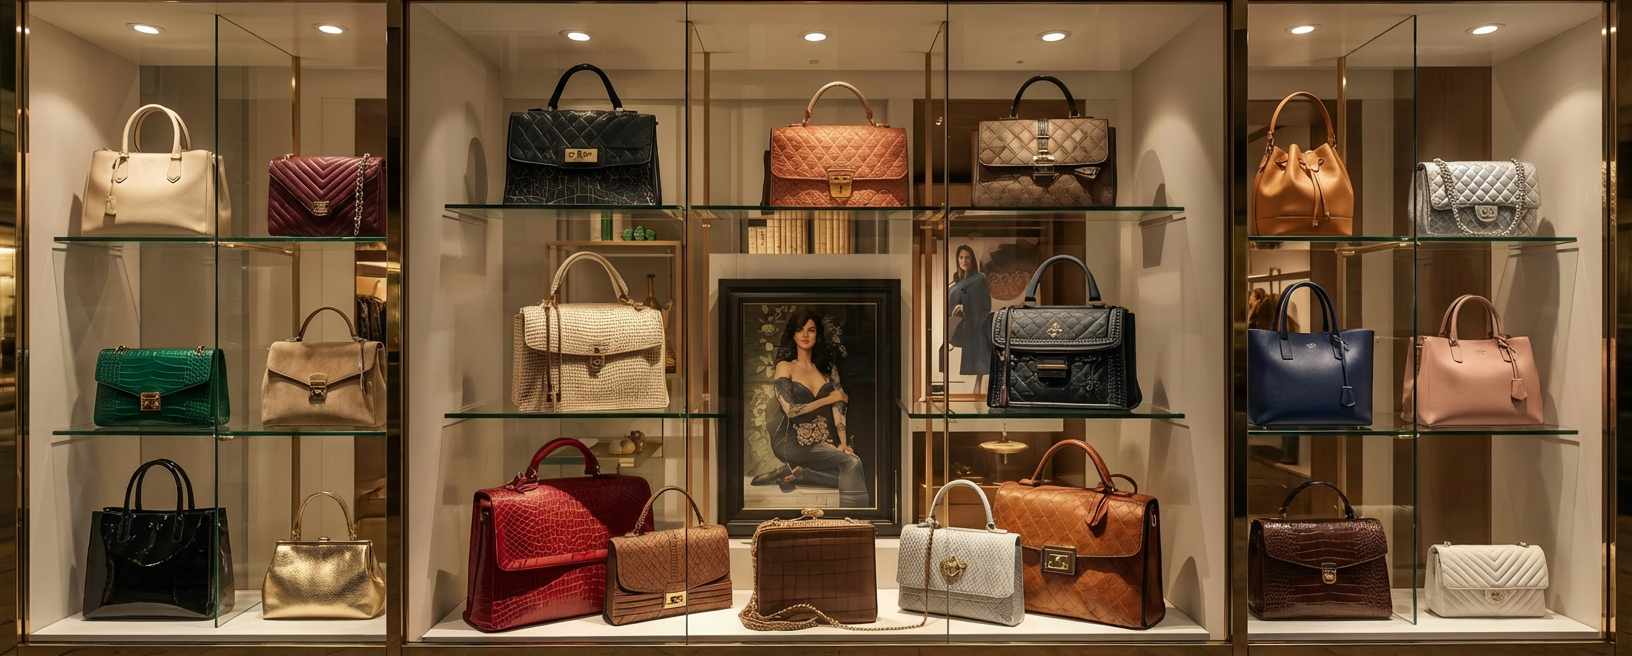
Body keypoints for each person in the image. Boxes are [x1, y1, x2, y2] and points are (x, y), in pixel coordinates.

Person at [748, 311, 870, 507]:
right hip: (789, 439)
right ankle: (854, 516)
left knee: (853, 462)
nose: (805, 334)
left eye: (811, 330)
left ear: (817, 335)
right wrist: (827, 399)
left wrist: (843, 444)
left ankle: (803, 474)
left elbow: (838, 406)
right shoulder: (784, 366)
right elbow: (790, 410)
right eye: (800, 329)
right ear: (793, 334)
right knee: (852, 463)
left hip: (817, 438)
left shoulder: (828, 369)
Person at [947, 244, 991, 391]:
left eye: (967, 257)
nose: (964, 261)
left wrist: (965, 307)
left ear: (972, 259)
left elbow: (984, 304)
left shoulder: (979, 279)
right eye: (961, 257)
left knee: (978, 365)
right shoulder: (955, 283)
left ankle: (977, 393)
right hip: (959, 327)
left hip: (975, 327)